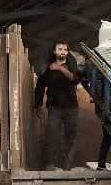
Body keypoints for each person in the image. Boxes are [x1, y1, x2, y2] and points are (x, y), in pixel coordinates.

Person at [34, 39, 80, 170]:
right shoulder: (48, 70)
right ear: (54, 52)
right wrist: (37, 105)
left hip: (72, 107)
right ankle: (50, 164)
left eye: (65, 49)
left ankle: (67, 166)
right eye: (60, 49)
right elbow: (40, 87)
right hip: (54, 107)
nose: (63, 52)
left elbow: (75, 79)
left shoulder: (71, 66)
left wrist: (60, 68)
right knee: (52, 136)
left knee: (70, 137)